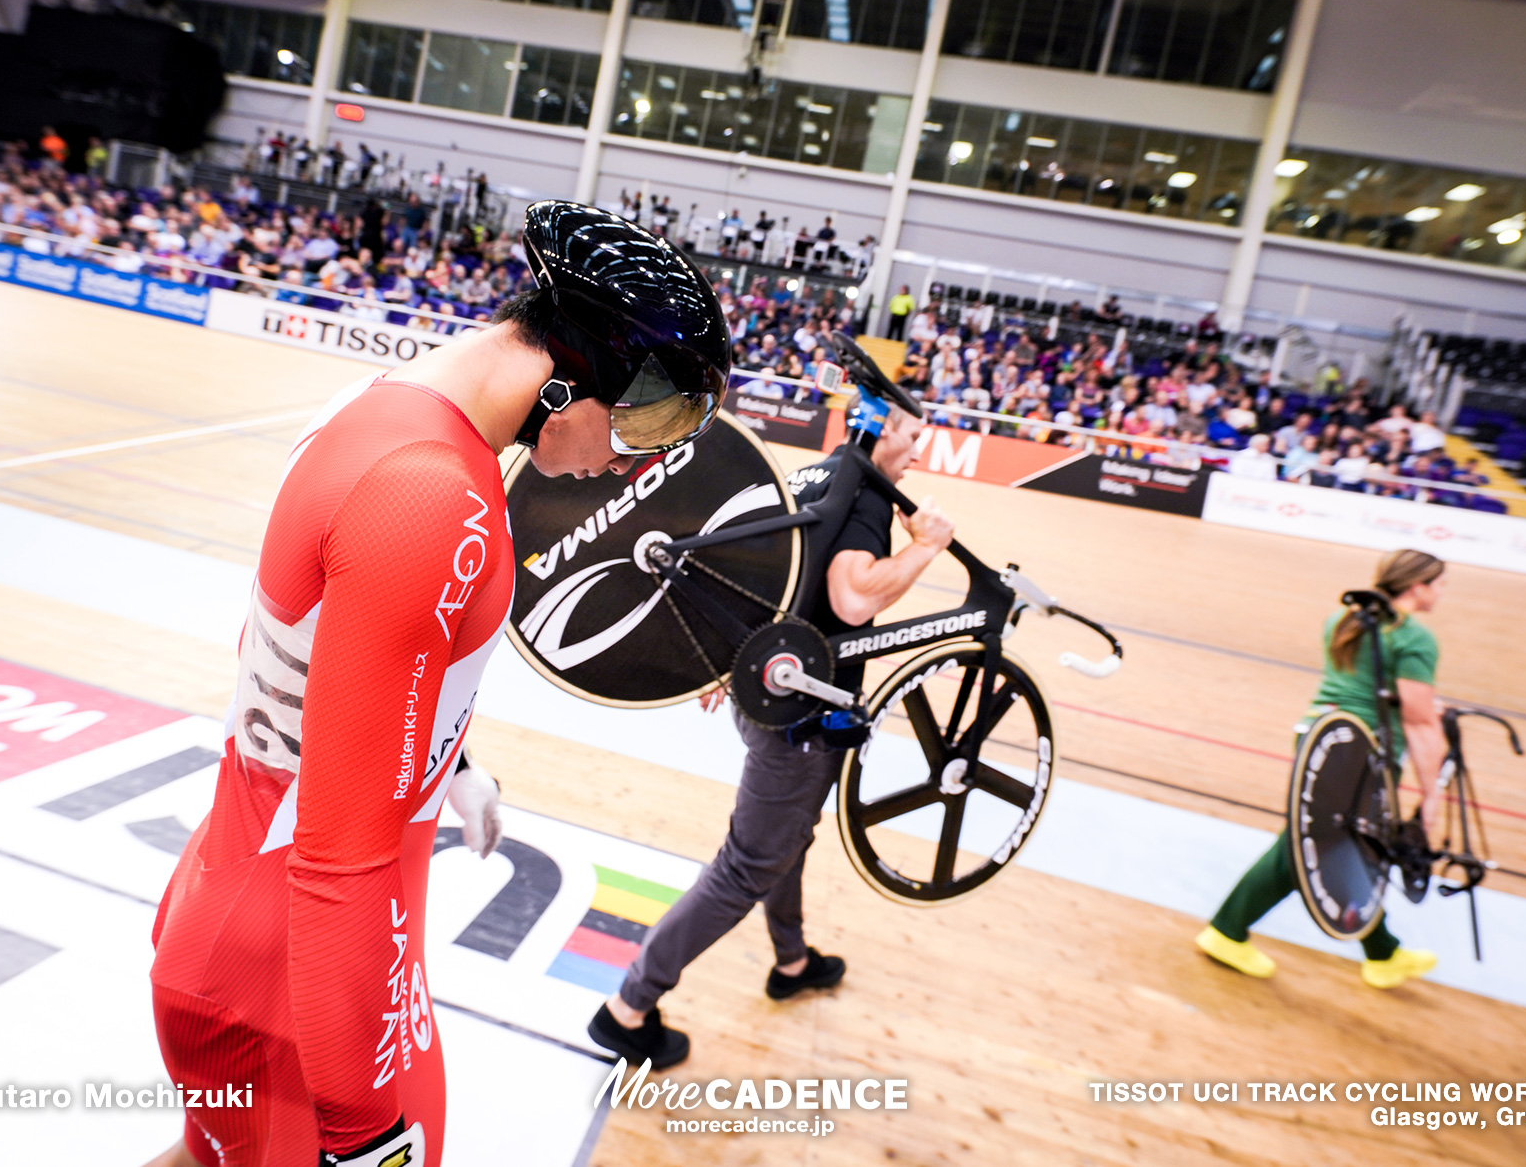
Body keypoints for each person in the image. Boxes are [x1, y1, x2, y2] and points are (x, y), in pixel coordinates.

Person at [145, 202, 731, 1167]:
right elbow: (341, 862)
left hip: (247, 918)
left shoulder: (387, 411)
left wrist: (450, 762)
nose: (646, 456)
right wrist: (363, 1134)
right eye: (647, 420)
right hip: (304, 975)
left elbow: (308, 657)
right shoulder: (433, 497)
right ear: (568, 381)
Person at [587, 406, 955, 1071]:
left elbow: (766, 570)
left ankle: (791, 960)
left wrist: (722, 656)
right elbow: (852, 598)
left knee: (791, 838)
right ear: (882, 432)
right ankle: (628, 1008)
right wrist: (926, 546)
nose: (919, 454)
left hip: (766, 689)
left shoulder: (819, 473)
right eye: (913, 438)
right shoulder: (868, 490)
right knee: (746, 867)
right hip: (799, 719)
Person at [1195, 549, 1448, 990]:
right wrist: (1433, 795)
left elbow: (1369, 685)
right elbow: (1420, 721)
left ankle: (1383, 952)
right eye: (1439, 583)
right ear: (1416, 587)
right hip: (1362, 751)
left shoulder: (1346, 618)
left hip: (1321, 734)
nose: (1443, 592)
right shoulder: (1414, 638)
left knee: (1340, 843)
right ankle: (1226, 931)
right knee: (1311, 843)